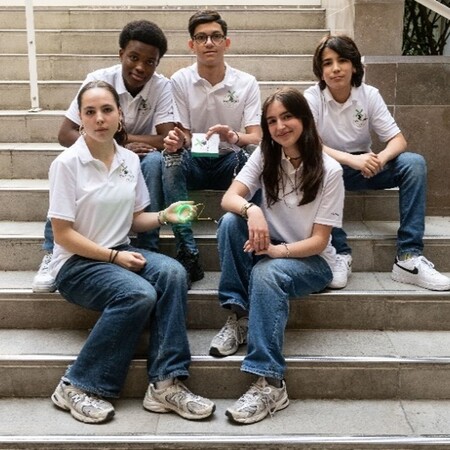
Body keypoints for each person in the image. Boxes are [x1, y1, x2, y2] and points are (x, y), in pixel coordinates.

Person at [48, 80, 215, 424]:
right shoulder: (67, 164)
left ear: (120, 115)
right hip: (78, 265)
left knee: (172, 273)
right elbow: (62, 235)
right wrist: (112, 257)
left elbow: (136, 219)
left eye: (107, 110)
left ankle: (165, 383)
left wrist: (166, 216)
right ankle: (76, 385)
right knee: (138, 293)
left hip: (120, 252)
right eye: (90, 112)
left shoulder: (128, 159)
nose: (99, 119)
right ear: (80, 118)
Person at [209, 87, 345, 424]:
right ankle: (240, 317)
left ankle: (270, 382)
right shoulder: (266, 156)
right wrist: (252, 209)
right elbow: (229, 198)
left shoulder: (331, 171)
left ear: (304, 119)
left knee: (267, 273)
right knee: (230, 223)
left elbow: (318, 242)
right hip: (271, 243)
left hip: (312, 261)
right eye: (271, 121)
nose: (280, 126)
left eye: (287, 117)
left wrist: (275, 252)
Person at [32, 19, 174, 293]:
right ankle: (53, 251)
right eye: (133, 57)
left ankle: (147, 246)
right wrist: (108, 143)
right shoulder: (97, 81)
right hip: (96, 151)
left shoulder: (162, 86)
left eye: (150, 62)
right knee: (73, 165)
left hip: (132, 157)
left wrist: (122, 145)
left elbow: (164, 138)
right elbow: (66, 134)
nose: (140, 67)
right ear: (121, 54)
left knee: (157, 160)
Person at [304, 34, 450, 291]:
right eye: (327, 63)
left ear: (354, 65)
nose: (335, 68)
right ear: (321, 70)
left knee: (413, 163)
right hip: (330, 168)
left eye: (342, 60)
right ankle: (339, 254)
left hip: (367, 166)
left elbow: (398, 140)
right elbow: (312, 145)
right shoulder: (312, 97)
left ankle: (408, 258)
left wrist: (379, 158)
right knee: (313, 165)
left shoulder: (369, 94)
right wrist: (352, 160)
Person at [162, 9, 262, 284]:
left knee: (254, 155)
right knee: (169, 157)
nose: (209, 43)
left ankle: (247, 235)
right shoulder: (180, 80)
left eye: (216, 36)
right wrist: (177, 140)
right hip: (194, 160)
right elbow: (181, 131)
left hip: (230, 161)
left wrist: (233, 136)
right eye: (201, 37)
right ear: (191, 44)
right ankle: (187, 249)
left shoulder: (246, 83)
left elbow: (256, 137)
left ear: (226, 43)